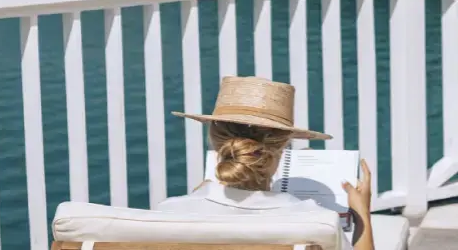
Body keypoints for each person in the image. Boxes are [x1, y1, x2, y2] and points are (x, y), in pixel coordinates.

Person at [157, 76, 374, 250]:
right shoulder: (316, 221)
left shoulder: (168, 213)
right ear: (281, 148)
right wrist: (362, 214)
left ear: (215, 140)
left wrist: (198, 195)